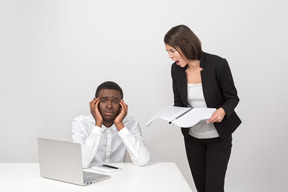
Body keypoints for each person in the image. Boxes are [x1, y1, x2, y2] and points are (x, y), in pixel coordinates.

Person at [164, 25, 241, 192]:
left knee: (213, 189)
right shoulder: (176, 70)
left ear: (185, 45)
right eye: (167, 52)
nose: (170, 57)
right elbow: (179, 102)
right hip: (192, 139)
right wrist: (172, 115)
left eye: (172, 51)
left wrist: (222, 111)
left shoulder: (218, 64)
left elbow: (232, 98)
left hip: (218, 139)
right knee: (201, 188)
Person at [72, 81, 150, 168]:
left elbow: (142, 160)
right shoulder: (81, 123)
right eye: (104, 100)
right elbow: (82, 163)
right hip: (91, 175)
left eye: (115, 101)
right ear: (94, 103)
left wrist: (119, 124)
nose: (109, 106)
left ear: (122, 105)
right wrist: (98, 124)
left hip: (121, 177)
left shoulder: (132, 123)